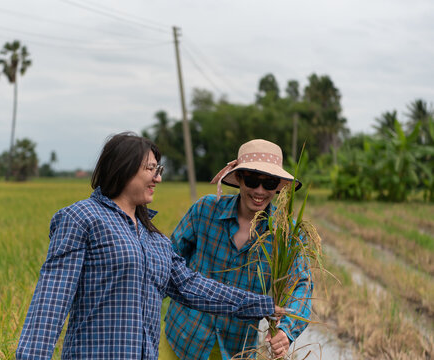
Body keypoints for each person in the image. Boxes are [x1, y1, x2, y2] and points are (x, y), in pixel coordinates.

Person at [16, 132, 286, 360]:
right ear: (122, 169)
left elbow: (193, 287)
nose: (157, 178)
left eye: (159, 170)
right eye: (150, 169)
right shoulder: (83, 218)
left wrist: (260, 305)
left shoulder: (154, 239)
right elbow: (50, 303)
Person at [161, 139, 312, 360]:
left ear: (278, 186)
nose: (259, 191)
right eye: (252, 180)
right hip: (183, 336)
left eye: (269, 183)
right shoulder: (205, 211)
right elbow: (168, 261)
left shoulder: (286, 235)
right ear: (239, 178)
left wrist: (286, 330)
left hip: (236, 349)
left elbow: (302, 285)